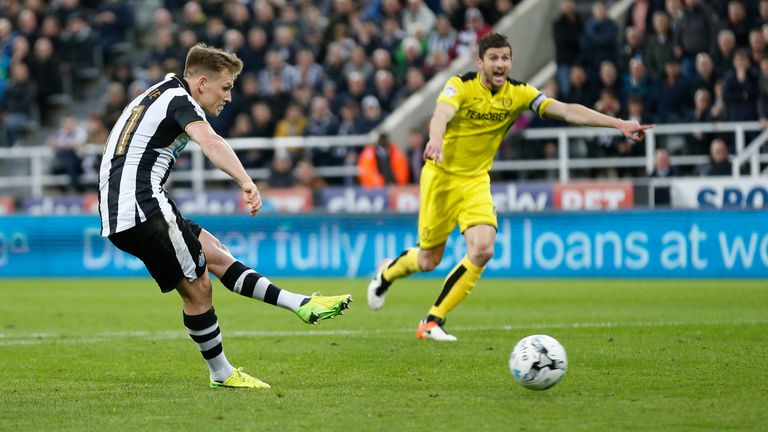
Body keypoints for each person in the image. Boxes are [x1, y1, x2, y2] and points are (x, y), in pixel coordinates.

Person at [366, 33, 653, 341]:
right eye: (494, 58)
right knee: (427, 260)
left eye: (505, 58)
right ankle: (386, 273)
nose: (500, 64)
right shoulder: (460, 85)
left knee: (483, 248)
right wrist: (435, 140)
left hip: (476, 181)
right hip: (441, 178)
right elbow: (441, 115)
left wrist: (619, 124)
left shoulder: (519, 93)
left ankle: (432, 320)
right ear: (480, 62)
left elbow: (567, 110)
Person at [98, 44, 352, 389]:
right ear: (201, 83)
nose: (229, 97)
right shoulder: (180, 101)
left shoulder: (160, 92)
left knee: (215, 254)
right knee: (198, 289)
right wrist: (246, 181)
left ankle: (300, 304)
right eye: (226, 87)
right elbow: (211, 142)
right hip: (140, 204)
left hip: (130, 203)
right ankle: (222, 373)